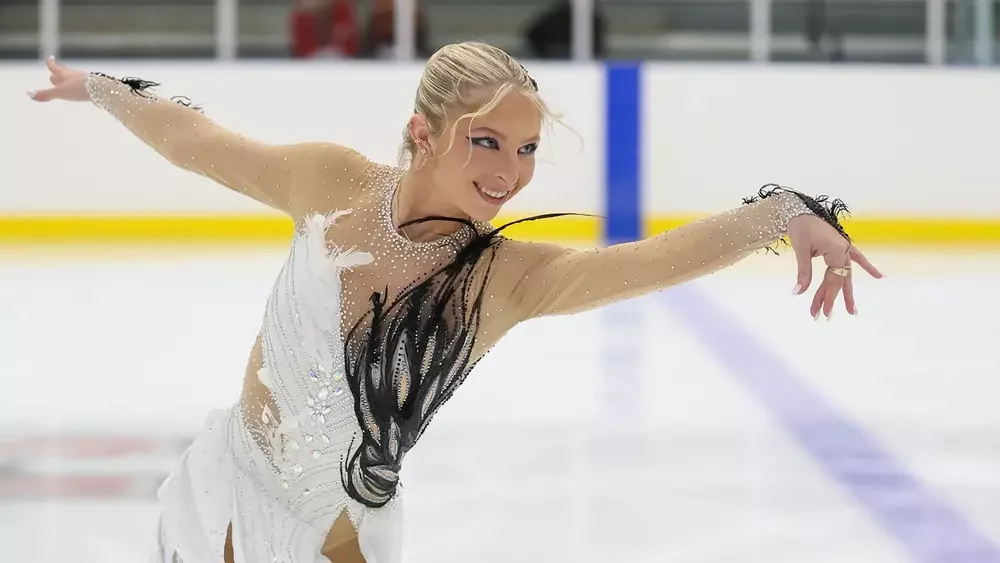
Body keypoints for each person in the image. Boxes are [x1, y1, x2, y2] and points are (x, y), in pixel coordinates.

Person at [27, 41, 882, 563]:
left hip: (340, 525)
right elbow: (200, 141)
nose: (509, 172)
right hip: (233, 488)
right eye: (486, 140)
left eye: (527, 149)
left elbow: (653, 259)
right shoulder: (331, 182)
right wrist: (102, 88)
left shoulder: (500, 280)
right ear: (423, 132)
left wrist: (785, 211)